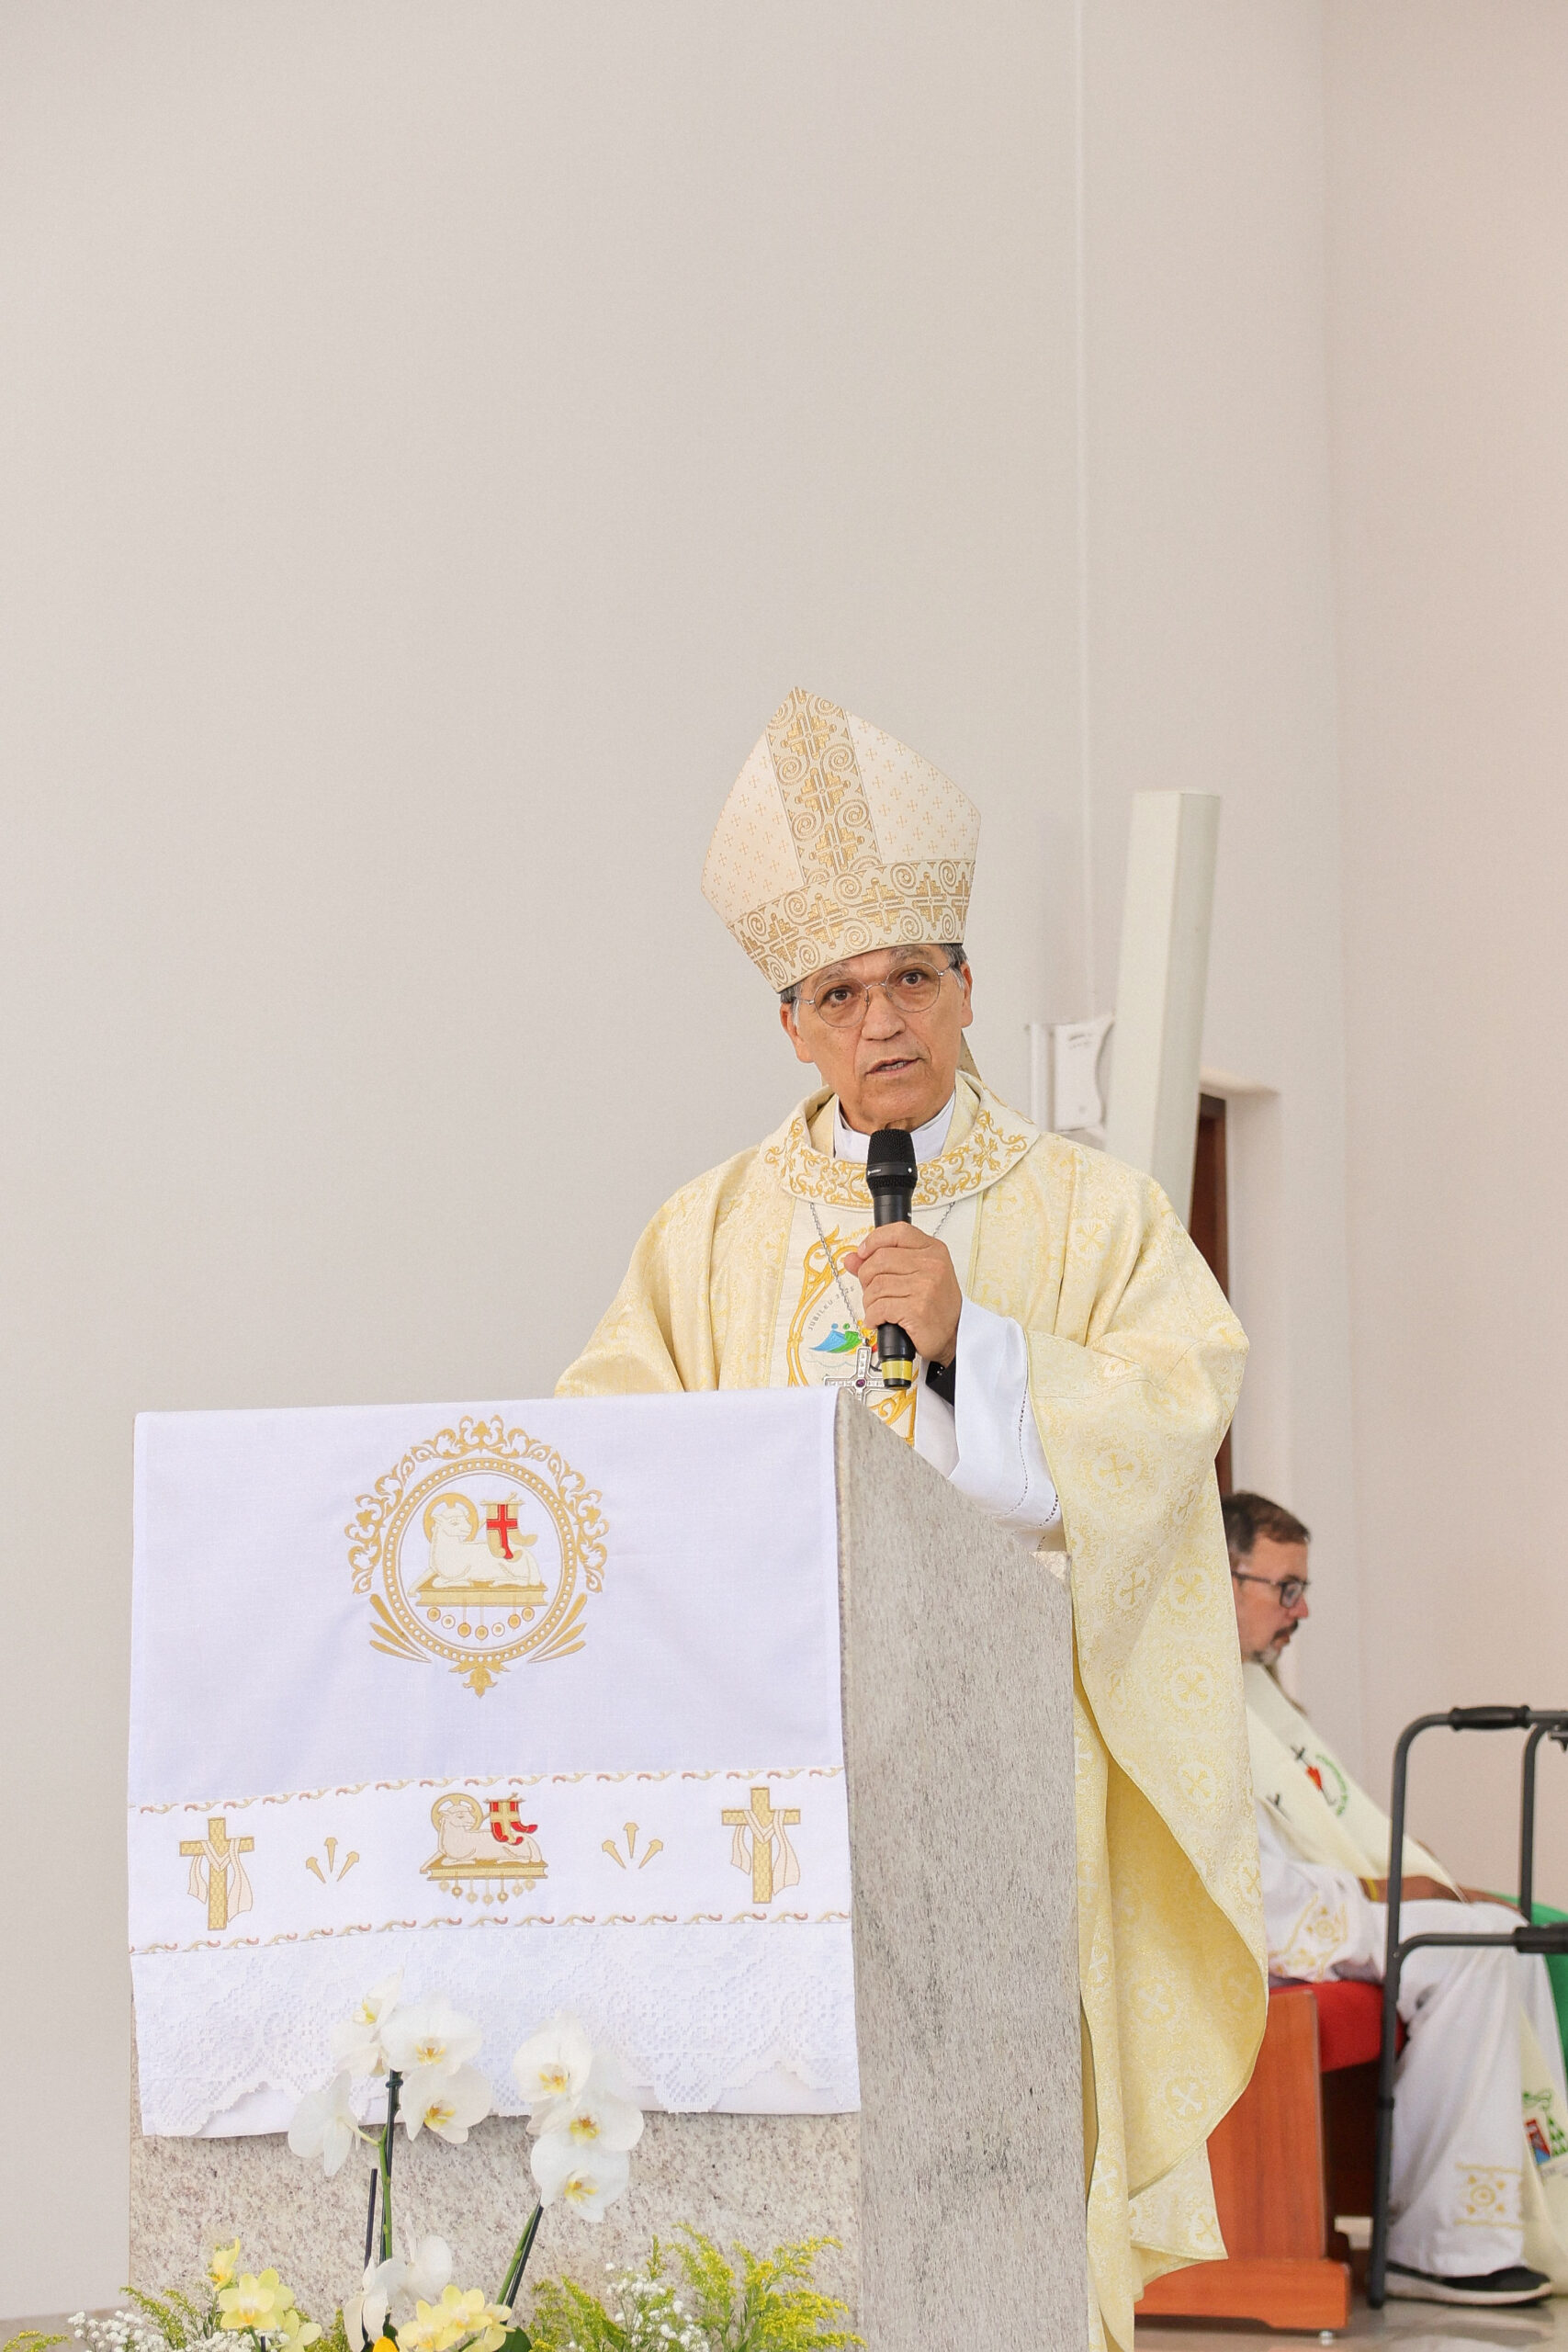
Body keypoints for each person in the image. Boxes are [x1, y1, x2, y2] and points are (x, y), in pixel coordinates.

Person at [558, 685, 1267, 2352]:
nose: (881, 1020)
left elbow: (1176, 1402)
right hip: (776, 1774)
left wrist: (978, 1355)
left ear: (963, 987)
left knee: (995, 2169)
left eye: (911, 980)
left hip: (1010, 1774)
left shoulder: (1092, 1213)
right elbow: (612, 1456)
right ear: (791, 1027)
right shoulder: (703, 1235)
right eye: (838, 993)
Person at [1227, 1488, 1568, 2305]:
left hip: (1307, 1905)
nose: (1300, 1610)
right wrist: (1391, 1890)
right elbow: (1249, 1883)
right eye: (1284, 1588)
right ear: (1218, 1578)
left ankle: (1516, 2215)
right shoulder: (1185, 1700)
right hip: (1259, 1925)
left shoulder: (1257, 1698)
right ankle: (1439, 2240)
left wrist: (1414, 1887)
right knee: (1468, 1947)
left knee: (1506, 1931)